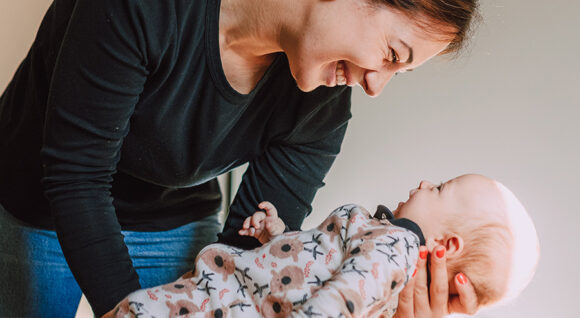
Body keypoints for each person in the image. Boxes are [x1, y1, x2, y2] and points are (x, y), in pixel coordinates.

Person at [0, 0, 480, 317]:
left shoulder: (322, 111)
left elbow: (246, 281)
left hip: (174, 216)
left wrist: (378, 301)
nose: (376, 85)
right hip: (40, 201)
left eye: (400, 71)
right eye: (392, 54)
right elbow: (76, 175)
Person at [103, 174, 539, 318]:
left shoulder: (395, 248)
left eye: (441, 187)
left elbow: (339, 298)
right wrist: (278, 237)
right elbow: (314, 267)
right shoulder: (382, 242)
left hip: (227, 302)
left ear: (448, 243)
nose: (426, 182)